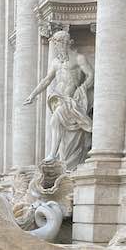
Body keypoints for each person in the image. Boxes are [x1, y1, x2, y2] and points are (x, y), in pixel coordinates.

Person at [24, 29, 94, 171]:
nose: (57, 47)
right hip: (58, 99)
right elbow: (47, 80)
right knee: (64, 137)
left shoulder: (79, 58)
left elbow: (91, 75)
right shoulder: (56, 62)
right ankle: (58, 157)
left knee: (54, 120)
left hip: (72, 100)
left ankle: (52, 154)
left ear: (66, 43)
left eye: (59, 44)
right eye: (55, 44)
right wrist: (33, 94)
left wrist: (82, 89)